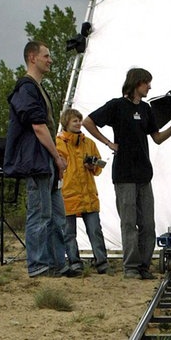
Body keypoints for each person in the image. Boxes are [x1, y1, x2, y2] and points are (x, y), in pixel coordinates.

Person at [83, 68, 171, 280]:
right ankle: (131, 267)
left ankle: (144, 266)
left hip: (144, 173)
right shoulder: (116, 106)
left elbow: (157, 138)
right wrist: (108, 143)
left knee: (147, 224)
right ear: (137, 83)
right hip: (124, 173)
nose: (150, 87)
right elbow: (87, 121)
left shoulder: (146, 109)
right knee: (129, 223)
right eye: (147, 83)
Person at [4, 40, 73, 278]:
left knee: (56, 215)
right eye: (46, 55)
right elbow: (38, 126)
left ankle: (56, 263)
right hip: (37, 161)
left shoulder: (38, 88)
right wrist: (57, 156)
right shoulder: (26, 88)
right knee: (40, 214)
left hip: (45, 161)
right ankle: (38, 265)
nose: (50, 60)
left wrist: (54, 159)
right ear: (32, 57)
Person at [56, 108, 109, 275]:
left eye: (79, 120)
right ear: (66, 123)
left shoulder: (89, 143)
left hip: (88, 195)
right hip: (68, 194)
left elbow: (99, 166)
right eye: (75, 121)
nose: (79, 123)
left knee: (95, 230)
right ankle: (74, 262)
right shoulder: (58, 143)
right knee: (69, 233)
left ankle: (102, 262)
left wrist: (93, 166)